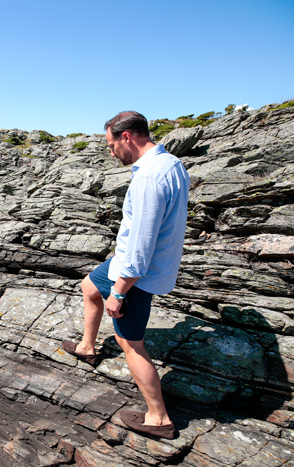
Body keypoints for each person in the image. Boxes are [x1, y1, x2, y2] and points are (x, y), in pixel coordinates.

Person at [62, 111, 190, 440]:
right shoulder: (171, 163)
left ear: (127, 137)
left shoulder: (148, 177)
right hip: (129, 263)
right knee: (89, 286)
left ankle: (159, 418)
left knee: (130, 343)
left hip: (136, 273)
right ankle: (87, 347)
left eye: (111, 145)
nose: (111, 152)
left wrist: (119, 291)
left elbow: (142, 242)